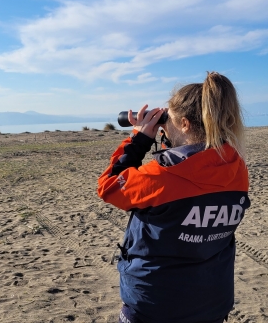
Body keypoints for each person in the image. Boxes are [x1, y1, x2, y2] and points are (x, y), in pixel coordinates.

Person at [97, 72, 250, 323]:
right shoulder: (237, 169)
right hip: (212, 300)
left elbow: (110, 187)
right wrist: (171, 138)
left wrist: (140, 139)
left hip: (156, 304)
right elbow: (194, 164)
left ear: (185, 124)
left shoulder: (161, 177)